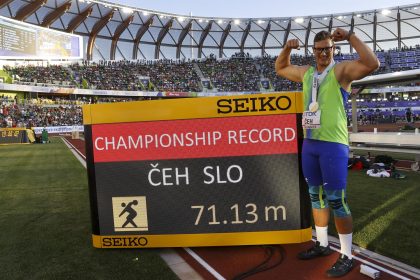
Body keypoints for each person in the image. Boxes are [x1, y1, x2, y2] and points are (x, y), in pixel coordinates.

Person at [275, 28, 379, 278]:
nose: (323, 53)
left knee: (337, 201)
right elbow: (280, 68)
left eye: (328, 48)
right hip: (310, 145)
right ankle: (322, 244)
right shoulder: (307, 73)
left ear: (334, 49)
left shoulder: (341, 71)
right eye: (319, 49)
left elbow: (372, 63)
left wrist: (352, 36)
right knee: (315, 197)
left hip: (333, 145)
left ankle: (346, 255)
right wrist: (287, 48)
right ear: (313, 51)